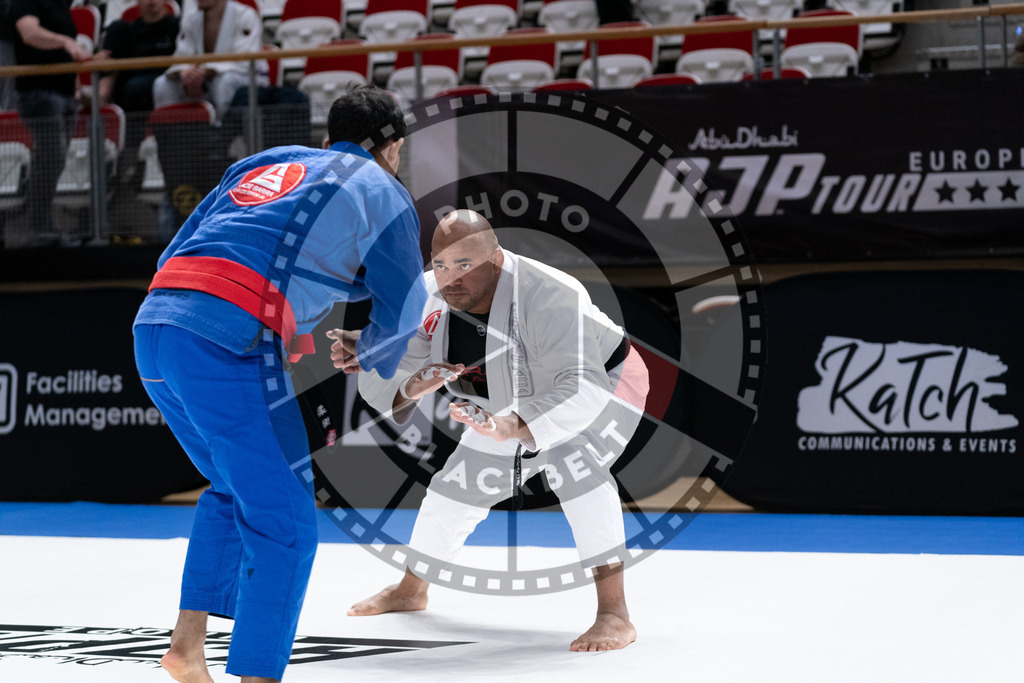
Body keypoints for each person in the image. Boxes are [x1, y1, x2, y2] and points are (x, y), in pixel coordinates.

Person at [132, 84, 428, 683]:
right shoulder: (383, 189)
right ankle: (258, 676)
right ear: (393, 149)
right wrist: (365, 350)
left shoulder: (263, 162)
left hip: (156, 327)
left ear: (327, 139)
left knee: (229, 485)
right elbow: (405, 310)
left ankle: (186, 650)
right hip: (228, 340)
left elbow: (178, 250)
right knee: (287, 522)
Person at [349, 209, 650, 652]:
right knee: (453, 488)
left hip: (605, 381)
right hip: (510, 396)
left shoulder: (551, 293)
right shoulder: (428, 295)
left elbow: (579, 386)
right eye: (441, 265)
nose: (451, 278)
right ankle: (411, 590)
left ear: (495, 259)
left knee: (576, 467)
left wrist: (514, 425)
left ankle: (614, 614)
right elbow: (397, 365)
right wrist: (394, 368)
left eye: (465, 265)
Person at [9, 0, 93, 246]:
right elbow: (30, 33)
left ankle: (43, 226)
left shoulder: (60, 6)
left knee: (53, 162)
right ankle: (39, 229)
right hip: (39, 94)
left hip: (65, 95)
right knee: (50, 158)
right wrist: (66, 42)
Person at [151, 0, 266, 120]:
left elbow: (244, 59)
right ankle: (169, 133)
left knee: (224, 82)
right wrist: (185, 73)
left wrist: (205, 71)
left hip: (248, 78)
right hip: (204, 80)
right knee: (162, 84)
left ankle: (226, 133)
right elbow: (182, 55)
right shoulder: (191, 18)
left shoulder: (245, 15)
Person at [98, 0, 179, 118]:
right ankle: (100, 96)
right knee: (116, 28)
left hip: (165, 84)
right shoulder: (125, 31)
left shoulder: (178, 26)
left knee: (136, 87)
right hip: (127, 90)